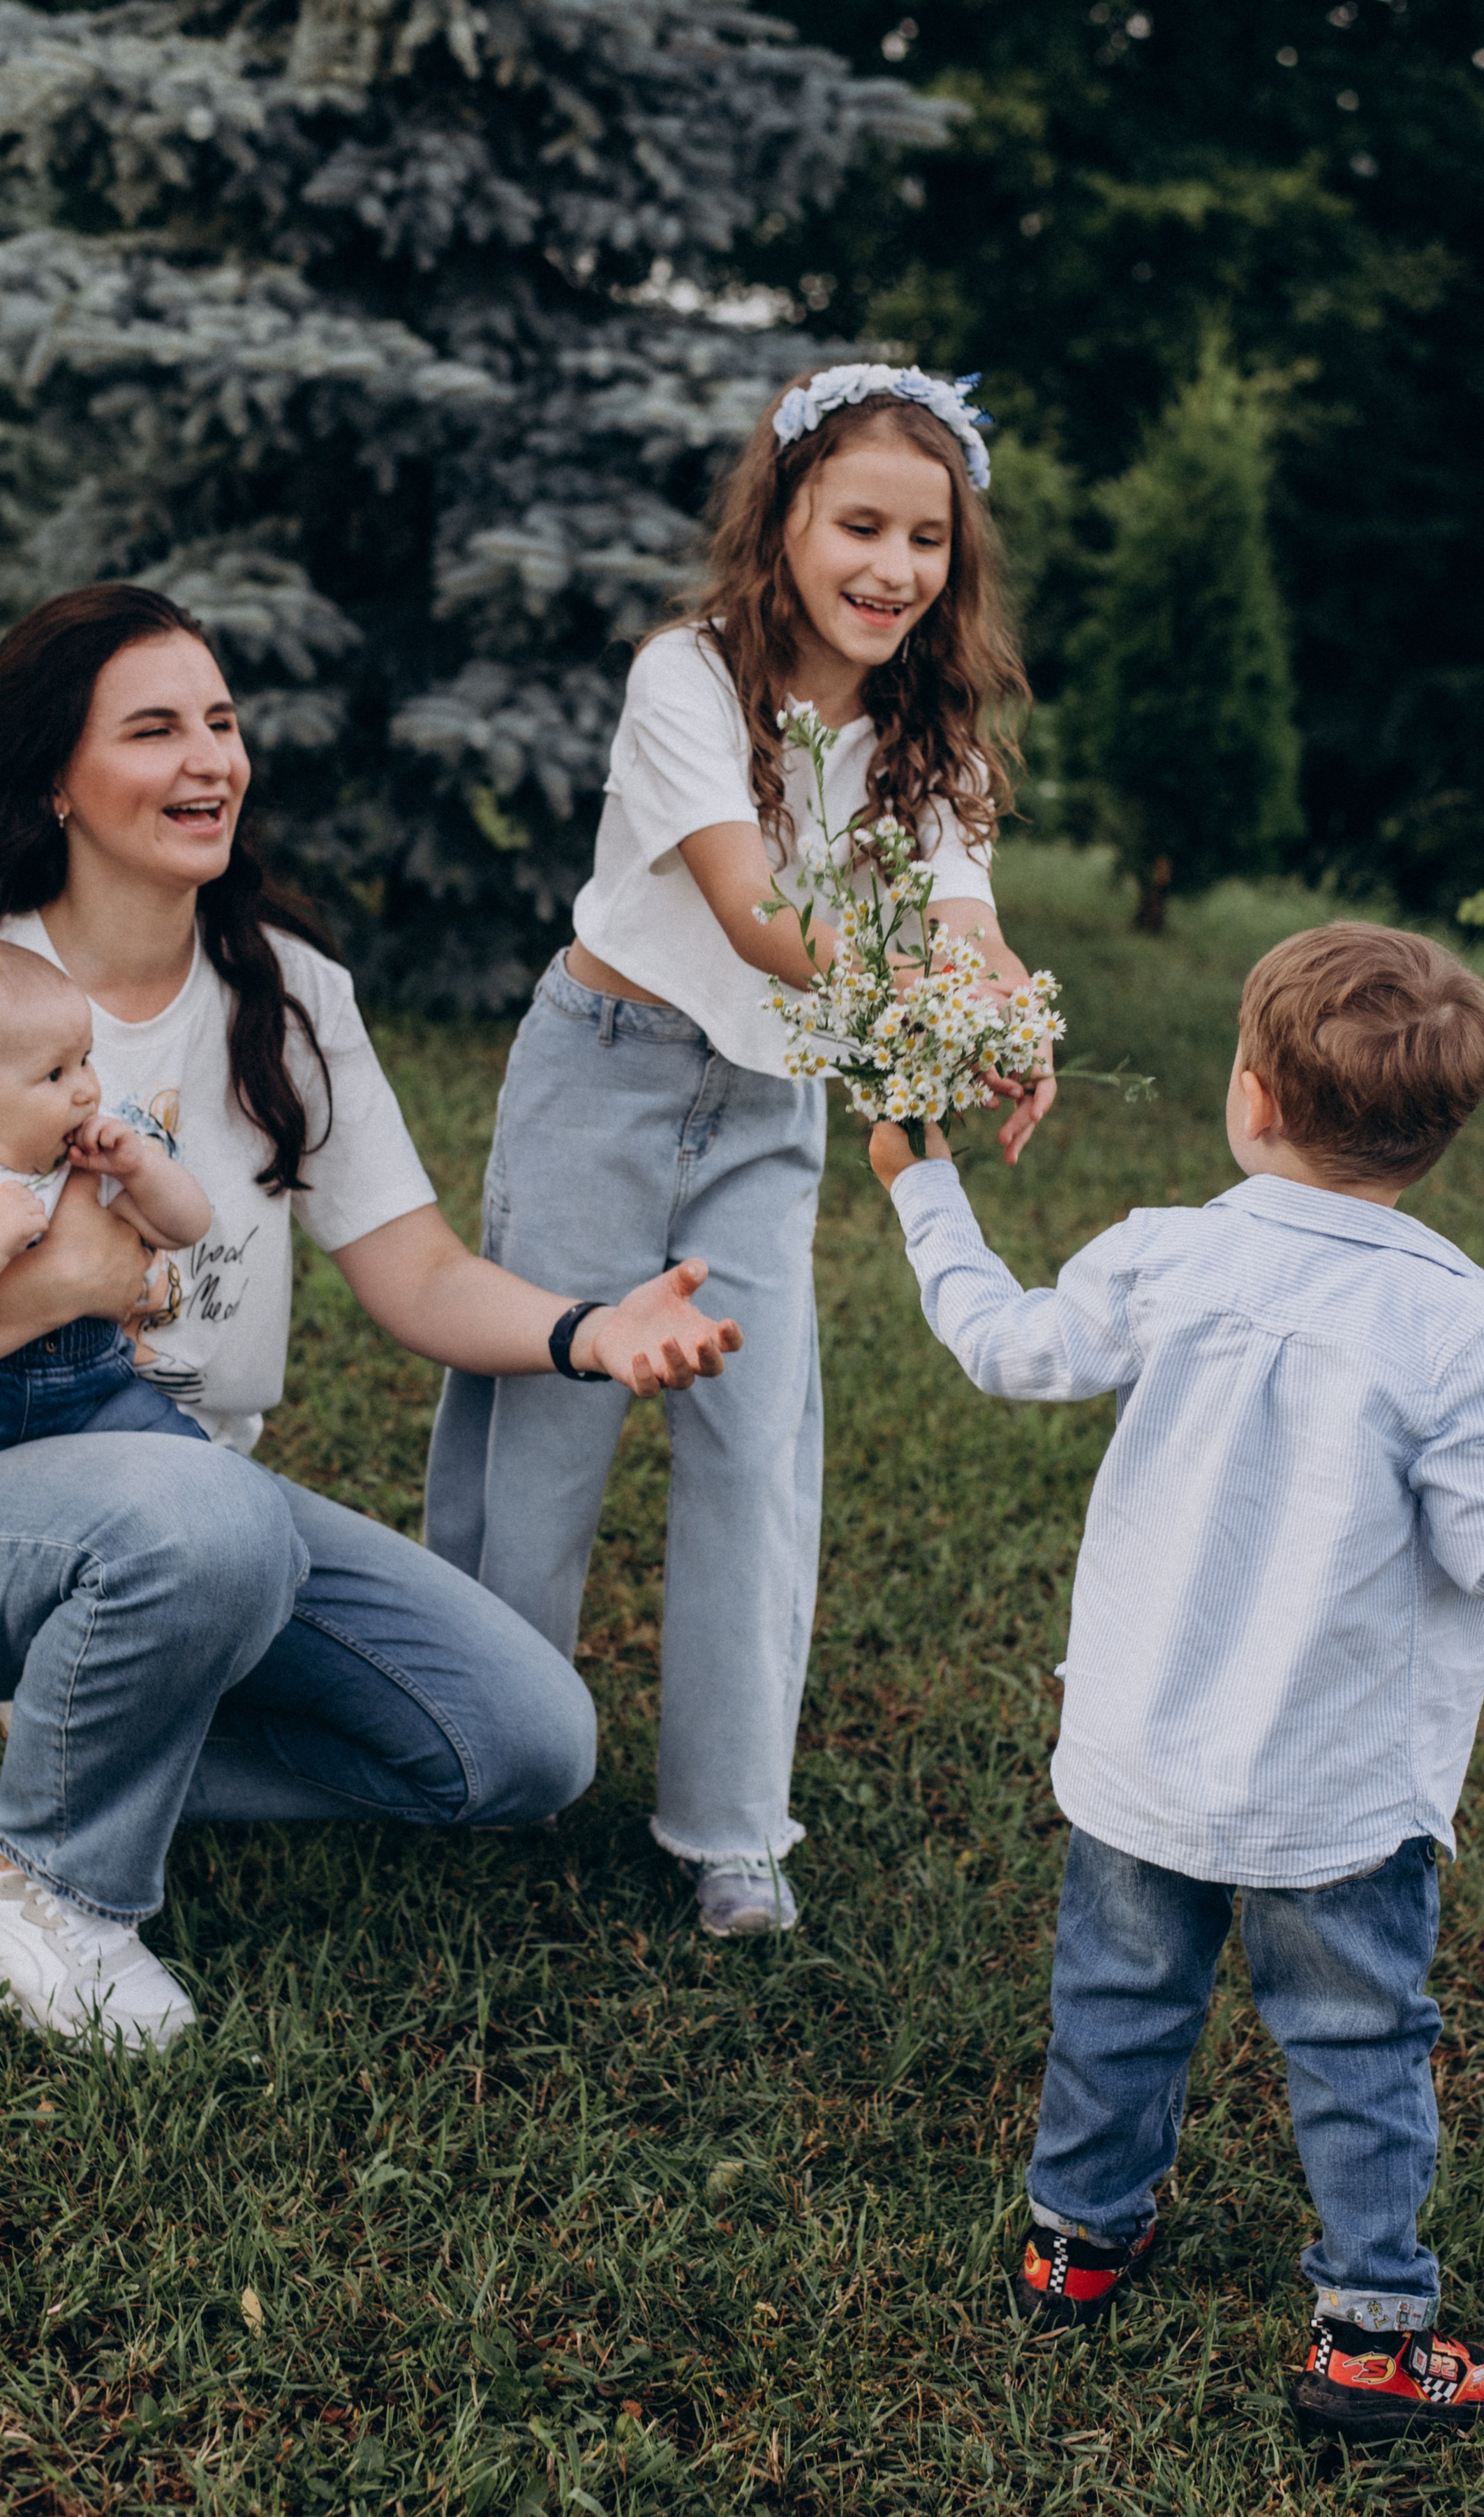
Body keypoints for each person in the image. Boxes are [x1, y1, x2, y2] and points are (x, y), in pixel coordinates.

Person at [0, 584, 742, 2054]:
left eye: (221, 721)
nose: (209, 759)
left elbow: (416, 1271)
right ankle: (31, 1878)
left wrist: (592, 1331)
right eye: (153, 729)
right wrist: (69, 1285)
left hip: (186, 1495)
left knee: (522, 1743)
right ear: (55, 779)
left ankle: (90, 1722)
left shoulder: (287, 996)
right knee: (209, 1516)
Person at [869, 920, 1484, 2443]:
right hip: (1335, 1788)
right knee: (1358, 2044)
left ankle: (1075, 2243)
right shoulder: (1446, 1310)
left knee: (1116, 2000)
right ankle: (1368, 2337)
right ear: (1439, 1135)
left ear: (1249, 1094)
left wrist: (923, 1182)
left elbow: (1002, 1344)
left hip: (1140, 1751)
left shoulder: (1162, 1250)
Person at [425, 362, 1053, 1938]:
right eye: (860, 526)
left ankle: (729, 1828)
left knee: (755, 1448)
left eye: (926, 539)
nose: (893, 568)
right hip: (604, 1072)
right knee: (545, 1426)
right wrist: (919, 994)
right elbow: (755, 913)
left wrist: (1006, 1016)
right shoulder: (687, 680)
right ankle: (483, 1759)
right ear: (781, 523)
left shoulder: (934, 728)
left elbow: (961, 915)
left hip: (766, 1110)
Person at [0, 934, 214, 1554]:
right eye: (56, 1074)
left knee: (208, 1481)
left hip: (93, 1396)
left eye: (86, 1060)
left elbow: (187, 1226)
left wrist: (142, 1168)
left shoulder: (88, 1159)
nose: (87, 1089)